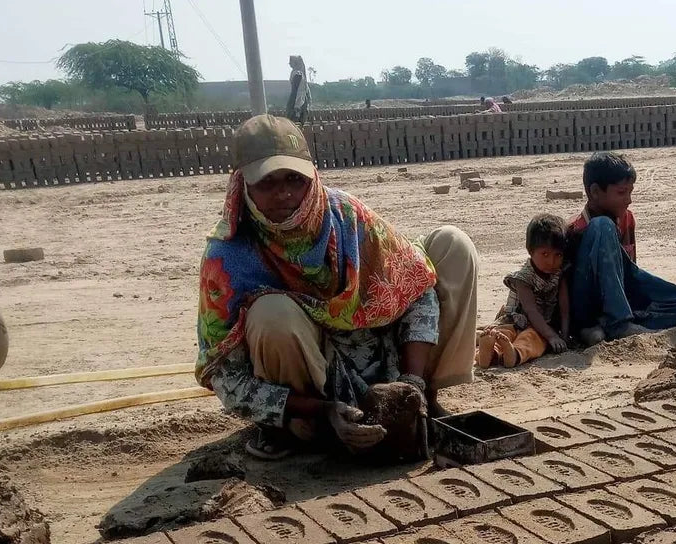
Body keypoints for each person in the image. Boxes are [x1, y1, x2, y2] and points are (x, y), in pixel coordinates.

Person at [195, 115, 479, 460]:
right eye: (267, 183)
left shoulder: (347, 217)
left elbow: (417, 292)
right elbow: (227, 376)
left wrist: (412, 383)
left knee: (452, 244)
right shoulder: (228, 257)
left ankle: (421, 401)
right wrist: (322, 409)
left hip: (383, 351)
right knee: (271, 314)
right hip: (313, 377)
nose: (284, 193)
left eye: (294, 179)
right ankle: (296, 426)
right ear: (242, 185)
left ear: (311, 176)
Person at [567, 152, 676, 344]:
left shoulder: (626, 219)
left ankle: (616, 322)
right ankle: (617, 324)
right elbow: (571, 289)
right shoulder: (577, 229)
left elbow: (630, 269)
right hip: (589, 307)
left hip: (620, 298)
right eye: (622, 193)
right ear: (595, 192)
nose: (629, 200)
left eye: (630, 192)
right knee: (602, 226)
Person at [476, 214, 571, 368]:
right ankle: (488, 353)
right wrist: (552, 336)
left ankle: (514, 353)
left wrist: (565, 336)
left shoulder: (559, 275)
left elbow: (565, 309)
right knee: (503, 333)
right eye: (545, 254)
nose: (551, 262)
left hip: (540, 327)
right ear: (530, 251)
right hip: (517, 319)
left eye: (557, 255)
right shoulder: (523, 279)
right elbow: (531, 311)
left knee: (531, 338)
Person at [287, 55, 311, 122]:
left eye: (291, 62)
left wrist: (296, 105)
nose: (290, 64)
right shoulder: (297, 73)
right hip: (300, 100)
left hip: (298, 101)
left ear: (295, 63)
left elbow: (298, 91)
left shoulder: (298, 74)